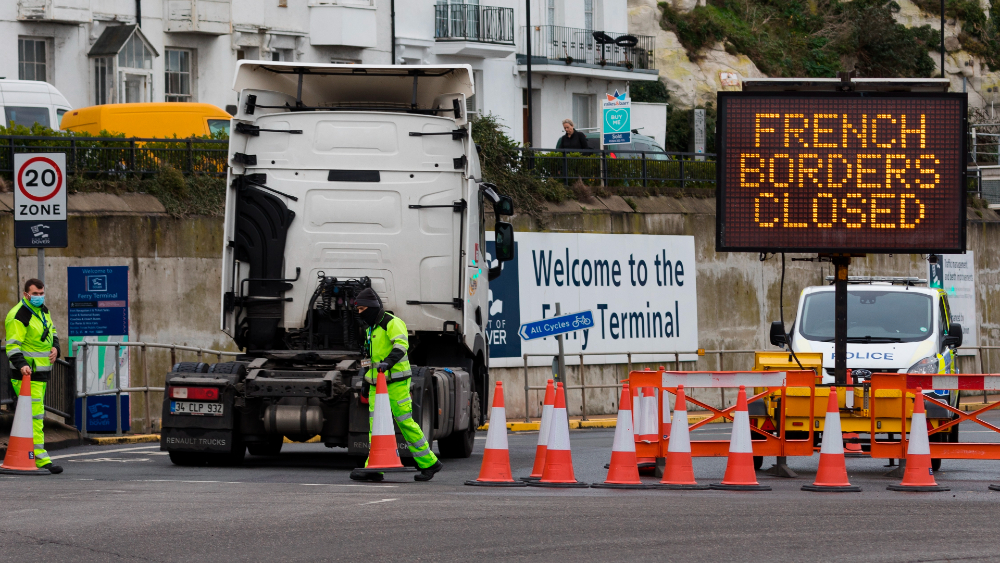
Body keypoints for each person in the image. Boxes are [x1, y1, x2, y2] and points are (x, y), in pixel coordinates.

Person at [349, 288, 442, 482]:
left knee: (405, 422)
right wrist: (365, 379)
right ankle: (375, 467)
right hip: (377, 385)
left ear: (373, 307)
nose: (360, 313)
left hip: (396, 383)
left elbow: (401, 345)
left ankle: (430, 463)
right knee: (376, 428)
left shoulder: (392, 323)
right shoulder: (371, 330)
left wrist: (388, 362)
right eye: (358, 310)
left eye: (363, 309)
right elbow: (369, 359)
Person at [5, 279, 63, 474]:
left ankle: (32, 454)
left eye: (41, 293)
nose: (39, 297)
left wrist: (56, 347)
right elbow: (13, 346)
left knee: (35, 415)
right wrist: (22, 366)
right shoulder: (18, 315)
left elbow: (52, 331)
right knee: (35, 416)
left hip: (40, 373)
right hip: (27, 376)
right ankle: (41, 458)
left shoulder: (43, 311)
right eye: (35, 294)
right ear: (25, 294)